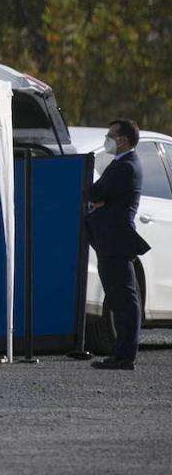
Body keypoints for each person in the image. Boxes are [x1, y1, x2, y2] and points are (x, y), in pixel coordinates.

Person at [85, 118, 150, 371]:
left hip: (116, 241)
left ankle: (124, 356)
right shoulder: (120, 165)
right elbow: (99, 196)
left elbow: (95, 193)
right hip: (109, 240)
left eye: (111, 135)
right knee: (118, 298)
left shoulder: (125, 167)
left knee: (124, 301)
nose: (108, 139)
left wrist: (99, 200)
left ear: (123, 140)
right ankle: (121, 354)